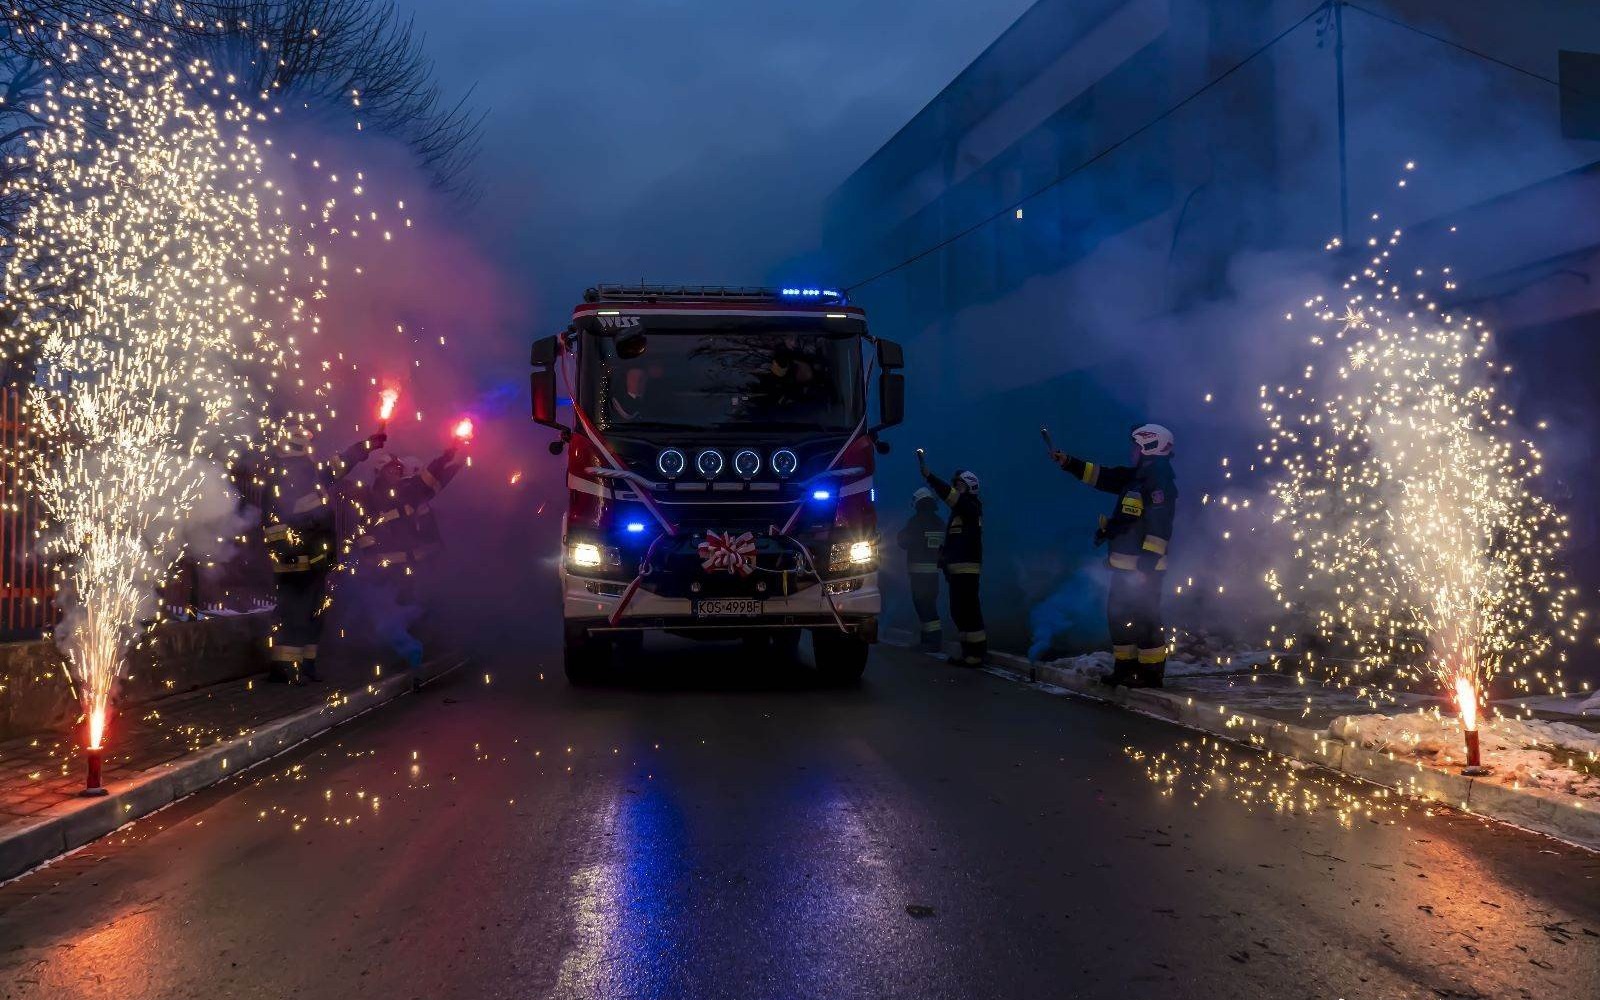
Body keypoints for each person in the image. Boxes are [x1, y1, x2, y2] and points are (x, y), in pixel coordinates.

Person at [1051, 423, 1178, 688]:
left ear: (1149, 446)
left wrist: (1149, 559)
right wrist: (1069, 463)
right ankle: (1126, 669)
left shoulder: (1159, 479)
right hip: (1125, 567)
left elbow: (1160, 522)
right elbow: (1103, 476)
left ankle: (1150, 674)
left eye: (1136, 445)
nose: (1131, 450)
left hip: (1145, 568)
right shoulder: (1136, 477)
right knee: (1120, 618)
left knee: (1145, 618)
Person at [263, 424, 385, 683]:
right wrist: (292, 556)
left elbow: (337, 465)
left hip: (314, 563)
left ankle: (306, 666)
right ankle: (286, 670)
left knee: (314, 616)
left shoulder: (306, 472)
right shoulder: (283, 475)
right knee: (295, 616)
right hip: (297, 565)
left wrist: (366, 446)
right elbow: (274, 525)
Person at [350, 445, 468, 665]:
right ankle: (394, 655)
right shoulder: (369, 497)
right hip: (386, 568)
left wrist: (449, 459)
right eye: (390, 470)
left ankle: (416, 650)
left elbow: (429, 480)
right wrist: (369, 556)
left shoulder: (408, 491)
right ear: (379, 473)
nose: (396, 473)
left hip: (411, 565)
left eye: (397, 469)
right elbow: (362, 531)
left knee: (413, 606)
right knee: (393, 611)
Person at [917, 449, 985, 666]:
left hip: (966, 571)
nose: (956, 488)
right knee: (959, 611)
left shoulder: (970, 506)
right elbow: (956, 541)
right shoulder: (960, 513)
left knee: (969, 611)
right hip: (956, 571)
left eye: (959, 485)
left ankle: (976, 655)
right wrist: (943, 557)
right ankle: (967, 653)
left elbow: (950, 496)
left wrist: (930, 477)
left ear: (969, 486)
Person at [896, 487, 946, 652]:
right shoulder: (939, 522)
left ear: (918, 503)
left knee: (923, 606)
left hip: (919, 574)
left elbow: (904, 543)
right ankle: (928, 641)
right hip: (934, 574)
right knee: (929, 605)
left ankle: (932, 642)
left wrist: (901, 535)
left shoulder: (916, 521)